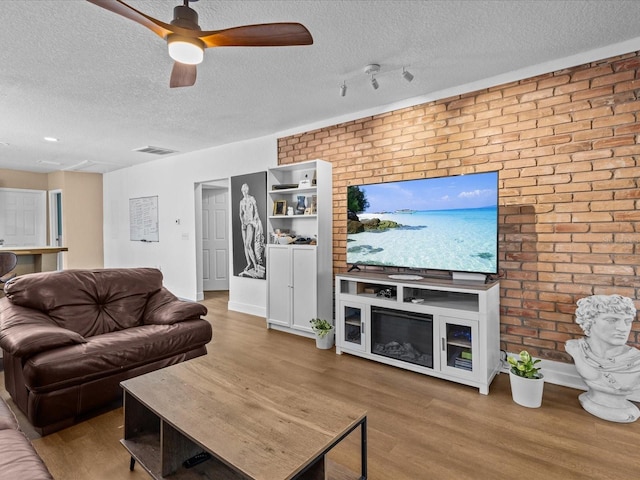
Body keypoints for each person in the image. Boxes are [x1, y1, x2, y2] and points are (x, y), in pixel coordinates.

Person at [565, 294, 640, 423]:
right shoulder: (576, 347)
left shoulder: (635, 362)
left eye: (627, 321)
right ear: (590, 321)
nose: (623, 328)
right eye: (612, 320)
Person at [238, 183, 265, 278]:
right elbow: (240, 213)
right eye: (243, 190)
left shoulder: (252, 199)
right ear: (242, 191)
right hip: (244, 223)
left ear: (248, 190)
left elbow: (256, 210)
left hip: (250, 222)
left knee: (248, 244)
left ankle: (255, 264)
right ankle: (249, 263)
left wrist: (255, 219)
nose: (245, 192)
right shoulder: (241, 202)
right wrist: (242, 222)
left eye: (246, 190)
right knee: (245, 245)